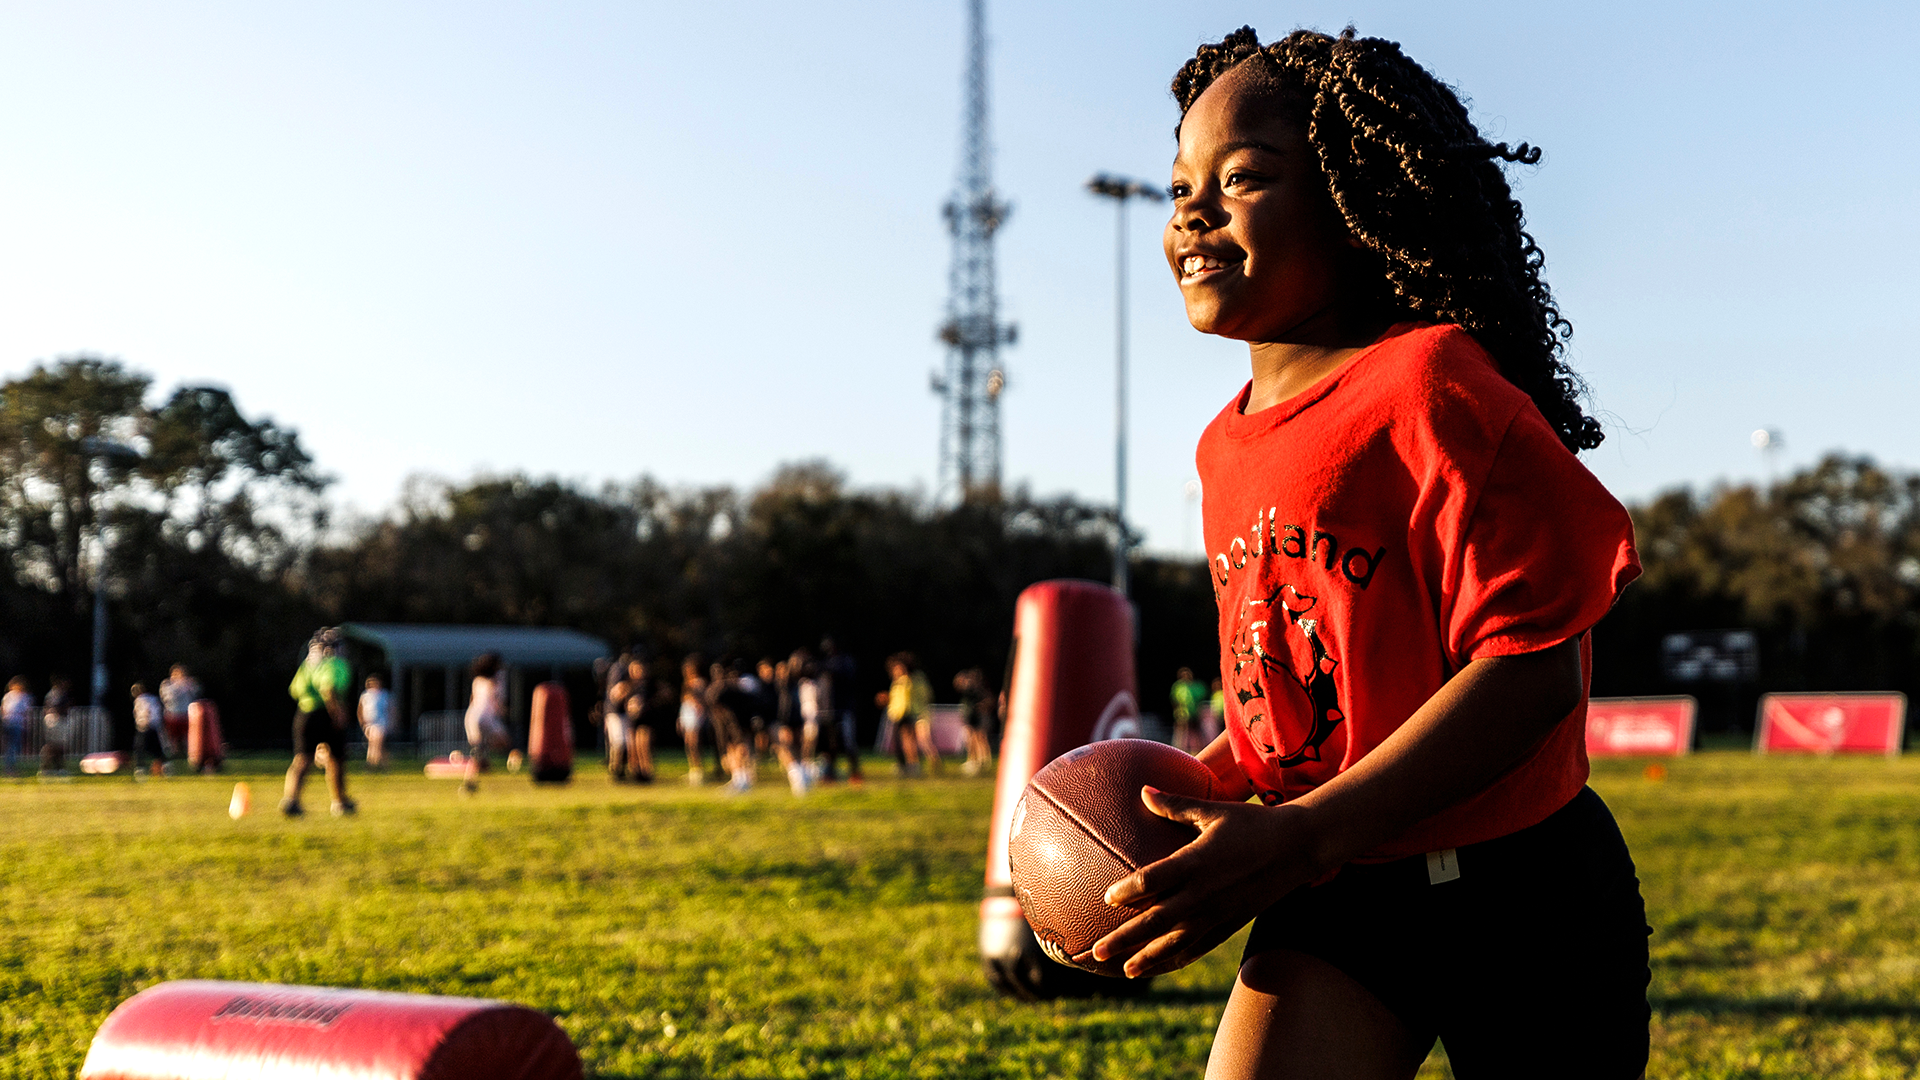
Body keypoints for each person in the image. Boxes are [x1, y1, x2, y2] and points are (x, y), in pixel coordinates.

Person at [1088, 28, 1648, 1080]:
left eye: (1245, 177)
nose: (1191, 212)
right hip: (1344, 894)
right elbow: (1299, 705)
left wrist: (1297, 838)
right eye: (1178, 189)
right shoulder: (1225, 445)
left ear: (1359, 199)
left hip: (1527, 895)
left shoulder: (1434, 387)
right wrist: (1184, 807)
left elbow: (1537, 677)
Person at [284, 630, 355, 816]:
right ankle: (339, 801)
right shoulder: (335, 664)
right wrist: (337, 713)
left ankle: (291, 799)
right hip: (325, 714)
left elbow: (294, 690)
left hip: (304, 713)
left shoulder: (308, 666)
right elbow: (328, 688)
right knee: (336, 760)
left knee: (301, 759)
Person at [462, 652, 511, 792]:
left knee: (477, 752)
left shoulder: (478, 680)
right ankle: (482, 763)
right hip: (486, 717)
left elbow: (472, 699)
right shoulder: (498, 679)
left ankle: (472, 777)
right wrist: (502, 711)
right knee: (504, 742)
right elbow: (497, 700)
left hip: (472, 716)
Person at [819, 638, 862, 783]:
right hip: (830, 710)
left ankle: (855, 772)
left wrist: (830, 671)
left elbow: (846, 676)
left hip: (845, 709)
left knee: (849, 742)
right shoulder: (825, 663)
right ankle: (830, 773)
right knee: (831, 743)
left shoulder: (845, 661)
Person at [956, 668, 993, 776]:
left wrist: (981, 707)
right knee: (973, 739)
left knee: (980, 738)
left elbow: (987, 701)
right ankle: (977, 760)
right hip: (973, 717)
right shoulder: (970, 690)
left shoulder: (978, 690)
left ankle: (984, 760)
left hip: (978, 716)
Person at [158, 664, 200, 760]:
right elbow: (167, 698)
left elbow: (196, 692)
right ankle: (173, 755)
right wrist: (178, 687)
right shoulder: (167, 684)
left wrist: (188, 684)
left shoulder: (189, 683)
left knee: (188, 737)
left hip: (186, 714)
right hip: (171, 715)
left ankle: (190, 754)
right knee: (172, 738)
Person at [131, 683, 168, 776]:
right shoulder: (153, 698)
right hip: (154, 726)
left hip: (145, 726)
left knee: (140, 749)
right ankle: (163, 766)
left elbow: (145, 711)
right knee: (157, 750)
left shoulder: (140, 700)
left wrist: (145, 722)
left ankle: (141, 768)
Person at [1169, 667, 1209, 753]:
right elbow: (1174, 701)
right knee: (1182, 733)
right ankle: (1179, 750)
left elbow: (1201, 700)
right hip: (1182, 714)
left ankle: (1197, 749)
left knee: (1196, 733)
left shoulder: (1197, 686)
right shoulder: (1178, 687)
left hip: (1194, 714)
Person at [39, 677, 72, 776]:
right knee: (55, 745)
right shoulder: (57, 694)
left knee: (56, 745)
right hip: (56, 719)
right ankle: (51, 768)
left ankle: (53, 768)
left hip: (53, 719)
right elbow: (55, 707)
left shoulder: (52, 694)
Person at [358, 675, 391, 769]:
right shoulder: (365, 695)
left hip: (381, 722)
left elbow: (390, 708)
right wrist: (362, 721)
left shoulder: (384, 694)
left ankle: (371, 762)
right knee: (374, 743)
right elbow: (360, 709)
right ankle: (382, 764)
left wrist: (391, 721)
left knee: (377, 741)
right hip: (369, 723)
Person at [2, 677, 33, 776]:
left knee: (13, 747)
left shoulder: (23, 697)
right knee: (12, 747)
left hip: (17, 724)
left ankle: (10, 768)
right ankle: (10, 769)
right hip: (10, 723)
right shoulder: (11, 696)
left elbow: (27, 712)